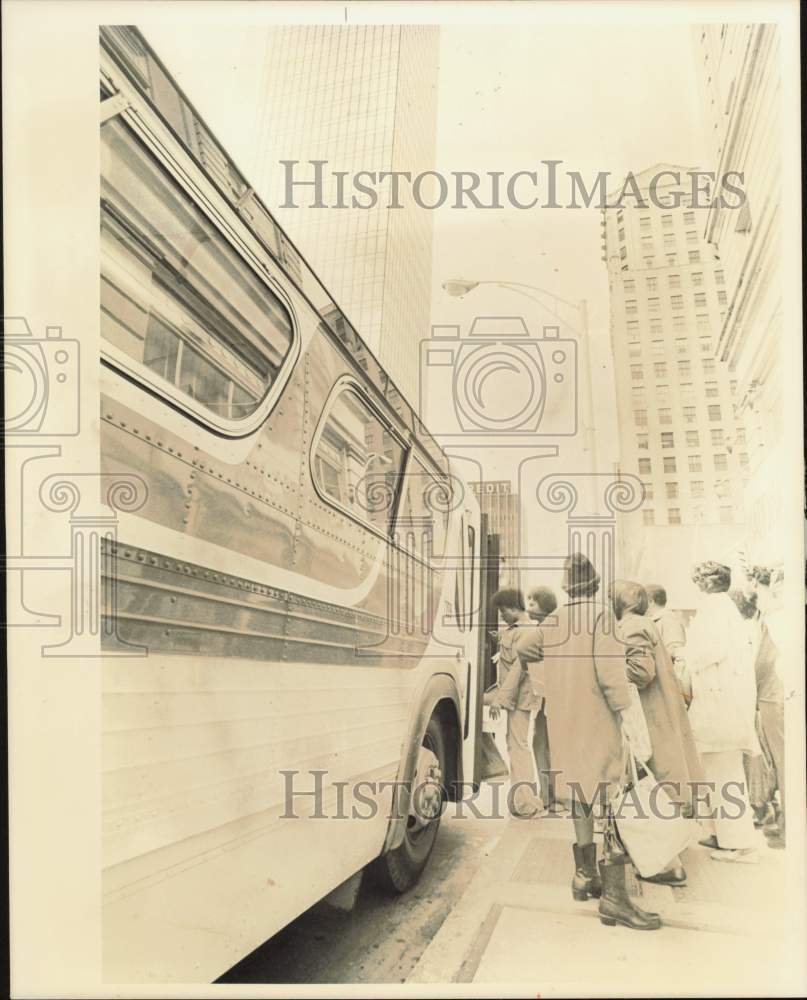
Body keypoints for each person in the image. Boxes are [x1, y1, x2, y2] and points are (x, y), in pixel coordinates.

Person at [542, 553, 661, 931]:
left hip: (563, 722)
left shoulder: (554, 619)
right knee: (612, 800)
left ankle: (584, 876)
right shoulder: (601, 616)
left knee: (579, 796)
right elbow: (611, 674)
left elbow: (530, 650)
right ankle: (614, 899)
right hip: (598, 722)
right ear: (594, 585)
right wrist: (628, 716)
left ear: (566, 586)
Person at [611, 580, 705, 887]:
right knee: (660, 787)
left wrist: (603, 667)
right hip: (660, 716)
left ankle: (668, 863)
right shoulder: (643, 623)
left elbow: (640, 671)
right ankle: (663, 855)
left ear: (622, 603)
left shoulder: (631, 626)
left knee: (653, 787)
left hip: (650, 720)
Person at [686, 560, 759, 863]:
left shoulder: (714, 609)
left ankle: (739, 844)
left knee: (725, 772)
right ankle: (722, 834)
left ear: (707, 583)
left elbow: (710, 650)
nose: (697, 583)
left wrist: (684, 656)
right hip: (722, 701)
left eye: (699, 578)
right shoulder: (724, 609)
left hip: (721, 704)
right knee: (717, 771)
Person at [484, 588, 545, 818]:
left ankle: (527, 804)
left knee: (518, 748)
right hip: (516, 697)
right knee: (516, 747)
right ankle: (521, 800)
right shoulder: (520, 630)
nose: (501, 615)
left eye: (502, 610)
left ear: (511, 608)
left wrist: (500, 700)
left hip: (519, 699)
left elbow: (517, 671)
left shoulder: (527, 632)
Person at [747, 566, 786, 848]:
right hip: (774, 695)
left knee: (784, 762)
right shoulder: (772, 615)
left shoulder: (774, 617)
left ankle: (788, 827)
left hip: (773, 696)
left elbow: (763, 664)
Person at [526, 585, 562, 813]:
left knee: (544, 744)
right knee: (544, 743)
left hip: (551, 696)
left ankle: (551, 796)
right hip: (548, 696)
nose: (528, 606)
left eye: (532, 602)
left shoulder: (546, 629)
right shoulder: (550, 627)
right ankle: (549, 795)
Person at [645, 584, 691, 706]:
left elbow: (676, 652)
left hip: (669, 684)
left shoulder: (668, 620)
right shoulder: (657, 619)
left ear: (650, 601)